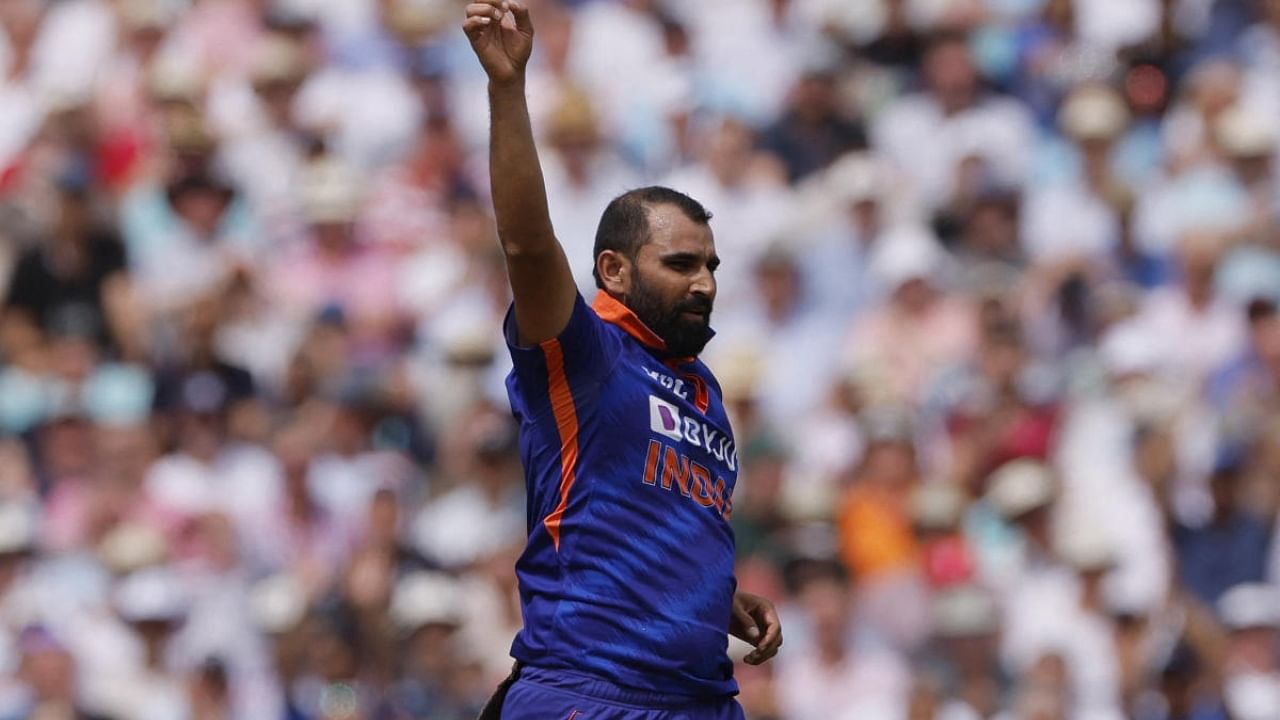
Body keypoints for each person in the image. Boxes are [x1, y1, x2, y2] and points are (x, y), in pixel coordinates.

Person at [461, 2, 783, 719]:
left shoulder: (702, 390)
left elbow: (644, 523)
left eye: (710, 264)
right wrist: (508, 90)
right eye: (679, 263)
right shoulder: (585, 355)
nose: (704, 282)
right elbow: (525, 244)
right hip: (587, 690)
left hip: (700, 699)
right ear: (612, 269)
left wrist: (718, 601)